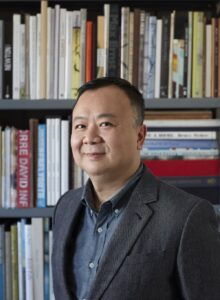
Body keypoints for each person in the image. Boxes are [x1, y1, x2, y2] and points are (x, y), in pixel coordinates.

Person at [52, 77, 220, 300]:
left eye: (106, 124)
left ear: (140, 136)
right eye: (80, 126)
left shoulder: (187, 216)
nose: (90, 137)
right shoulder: (66, 206)